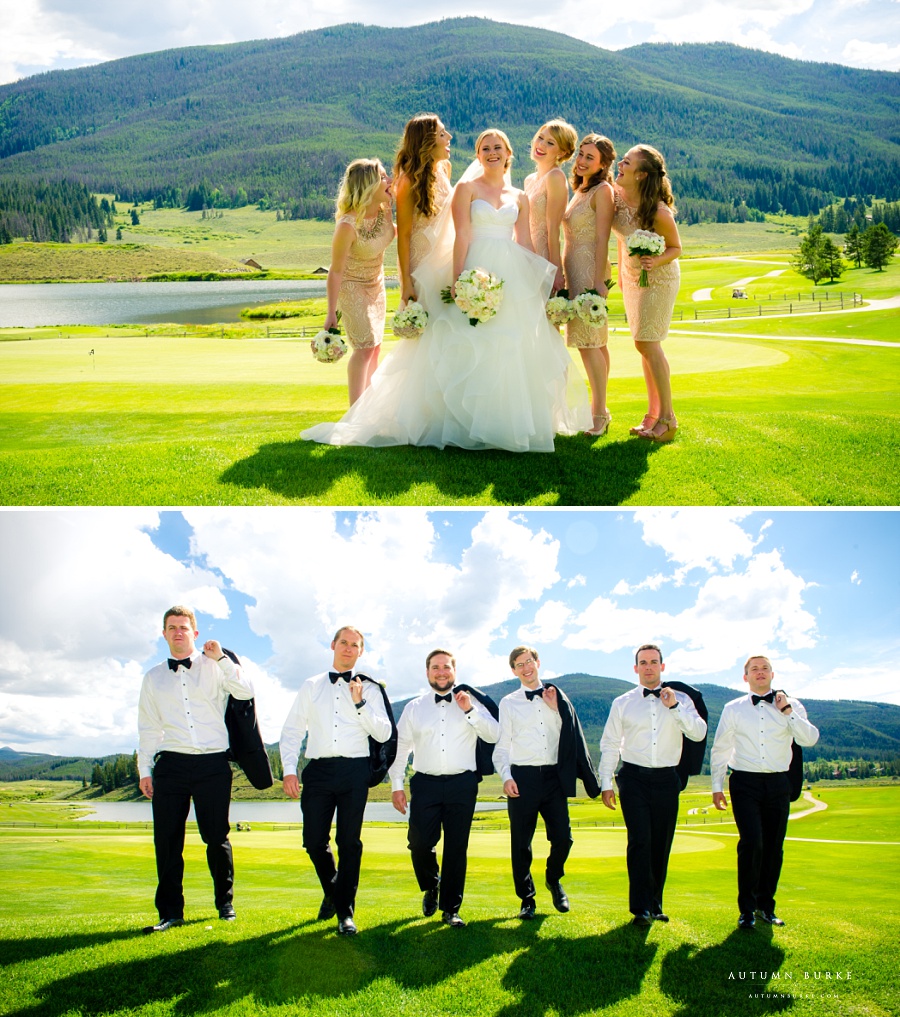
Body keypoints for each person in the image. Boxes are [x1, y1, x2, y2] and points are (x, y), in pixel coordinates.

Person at [302, 129, 590, 451]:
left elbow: (524, 241)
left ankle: (505, 422)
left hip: (509, 271)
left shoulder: (518, 197)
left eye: (497, 147)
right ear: (478, 156)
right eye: (484, 148)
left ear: (509, 154)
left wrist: (542, 276)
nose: (491, 152)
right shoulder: (466, 188)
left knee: (509, 345)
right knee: (465, 342)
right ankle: (456, 422)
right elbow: (461, 235)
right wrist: (460, 280)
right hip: (473, 265)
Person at [137, 605, 254, 932]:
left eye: (184, 627)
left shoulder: (215, 666)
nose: (178, 632)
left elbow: (246, 691)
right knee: (167, 840)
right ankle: (170, 913)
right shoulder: (153, 677)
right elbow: (148, 727)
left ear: (195, 633)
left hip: (212, 763)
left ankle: (225, 903)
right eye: (172, 627)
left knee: (216, 837)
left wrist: (222, 659)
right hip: (171, 763)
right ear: (164, 633)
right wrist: (144, 769)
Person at [280, 626, 394, 936]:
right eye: (343, 642)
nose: (348, 648)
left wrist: (360, 704)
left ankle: (345, 912)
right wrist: (289, 768)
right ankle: (333, 889)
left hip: (355, 772)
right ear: (333, 645)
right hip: (317, 771)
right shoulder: (311, 685)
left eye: (355, 645)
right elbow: (292, 730)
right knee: (314, 841)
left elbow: (384, 733)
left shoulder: (369, 688)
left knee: (348, 842)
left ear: (360, 652)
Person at [388, 649, 500, 927]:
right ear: (427, 673)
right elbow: (400, 748)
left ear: (454, 671)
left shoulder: (471, 702)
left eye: (446, 667)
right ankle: (431, 885)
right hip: (425, 783)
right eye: (435, 667)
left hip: (463, 784)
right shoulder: (414, 708)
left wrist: (469, 711)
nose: (441, 672)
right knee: (419, 843)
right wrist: (397, 786)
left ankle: (451, 909)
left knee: (456, 848)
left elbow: (495, 734)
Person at [599, 644, 706, 926]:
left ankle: (656, 903)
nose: (648, 667)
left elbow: (698, 733)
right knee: (640, 841)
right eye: (643, 662)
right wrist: (606, 781)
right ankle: (640, 909)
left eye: (653, 662)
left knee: (661, 842)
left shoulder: (681, 699)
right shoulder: (622, 702)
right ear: (635, 668)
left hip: (667, 778)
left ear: (662, 666)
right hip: (632, 777)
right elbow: (610, 743)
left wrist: (675, 708)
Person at [710, 655, 819, 930]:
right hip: (744, 782)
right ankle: (746, 910)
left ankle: (765, 908)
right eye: (754, 669)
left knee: (773, 847)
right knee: (752, 843)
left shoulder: (792, 706)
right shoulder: (733, 708)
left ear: (773, 674)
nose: (760, 672)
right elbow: (721, 747)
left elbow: (809, 739)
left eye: (765, 668)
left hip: (778, 783)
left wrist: (788, 712)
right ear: (745, 677)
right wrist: (716, 786)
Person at [494, 646, 600, 919]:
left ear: (538, 662)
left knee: (563, 838)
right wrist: (506, 777)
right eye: (519, 664)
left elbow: (572, 736)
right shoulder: (508, 703)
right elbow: (502, 746)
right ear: (514, 670)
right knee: (520, 843)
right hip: (522, 777)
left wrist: (556, 710)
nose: (526, 668)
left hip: (554, 777)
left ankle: (553, 879)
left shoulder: (558, 698)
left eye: (529, 661)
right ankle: (527, 899)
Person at [611, 145, 682, 442]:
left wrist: (656, 260)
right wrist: (620, 272)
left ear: (640, 175)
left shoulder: (659, 212)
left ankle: (668, 418)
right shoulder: (616, 197)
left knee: (648, 344)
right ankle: (652, 415)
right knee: (643, 346)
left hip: (659, 279)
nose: (620, 165)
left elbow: (676, 248)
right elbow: (620, 237)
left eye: (626, 163)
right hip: (631, 277)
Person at [322, 158, 395, 406]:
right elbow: (335, 271)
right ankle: (355, 414)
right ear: (368, 185)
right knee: (363, 348)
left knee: (375, 347)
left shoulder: (386, 209)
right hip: (351, 285)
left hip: (377, 284)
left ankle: (369, 410)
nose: (390, 181)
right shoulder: (347, 224)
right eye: (384, 177)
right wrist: (331, 312)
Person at [563, 133, 617, 436]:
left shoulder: (603, 191)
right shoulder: (581, 189)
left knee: (588, 343)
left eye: (589, 157)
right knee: (597, 343)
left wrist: (598, 281)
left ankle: (598, 414)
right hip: (574, 269)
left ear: (602, 164)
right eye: (580, 154)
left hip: (589, 273)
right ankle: (603, 409)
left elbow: (601, 238)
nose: (581, 161)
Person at [394, 113, 454, 304]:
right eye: (442, 134)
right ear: (427, 142)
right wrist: (406, 283)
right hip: (421, 265)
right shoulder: (407, 181)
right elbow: (403, 235)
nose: (449, 137)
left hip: (446, 261)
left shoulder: (446, 168)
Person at [524, 119, 578, 292]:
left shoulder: (555, 177)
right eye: (540, 138)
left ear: (562, 152)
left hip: (542, 256)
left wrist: (555, 270)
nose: (541, 145)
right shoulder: (529, 179)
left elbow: (553, 228)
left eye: (550, 143)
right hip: (524, 252)